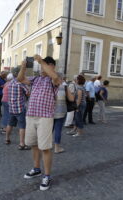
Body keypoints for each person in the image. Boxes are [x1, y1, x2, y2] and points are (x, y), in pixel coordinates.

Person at [18, 55, 61, 191]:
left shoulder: (55, 79)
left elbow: (54, 77)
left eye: (46, 65)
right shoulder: (36, 79)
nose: (42, 67)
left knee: (45, 147)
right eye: (42, 65)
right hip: (31, 116)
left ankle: (47, 175)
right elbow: (20, 79)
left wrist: (41, 61)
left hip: (45, 117)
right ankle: (37, 168)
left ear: (51, 66)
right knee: (34, 144)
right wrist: (23, 67)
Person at [5, 67, 30, 150]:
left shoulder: (10, 83)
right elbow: (28, 93)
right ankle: (22, 144)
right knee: (22, 126)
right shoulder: (21, 83)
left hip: (11, 108)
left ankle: (7, 139)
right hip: (20, 108)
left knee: (10, 124)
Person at [54, 72, 74, 153]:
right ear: (62, 78)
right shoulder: (64, 87)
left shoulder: (50, 85)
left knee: (48, 130)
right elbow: (71, 99)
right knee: (58, 129)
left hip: (49, 112)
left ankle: (45, 146)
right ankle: (57, 147)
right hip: (61, 112)